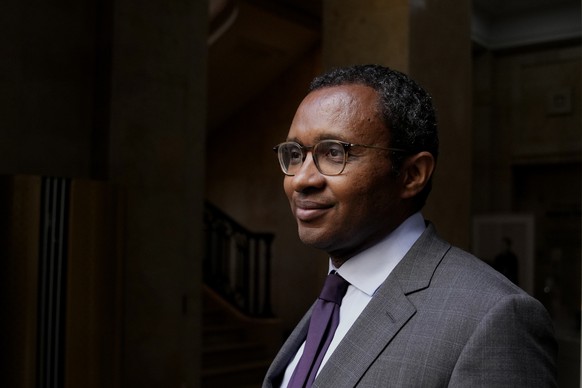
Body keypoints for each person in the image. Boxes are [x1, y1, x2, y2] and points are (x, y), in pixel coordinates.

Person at [263, 64, 557, 387]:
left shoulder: (495, 318)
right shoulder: (333, 296)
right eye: (294, 154)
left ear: (413, 174)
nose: (300, 180)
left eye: (334, 153)